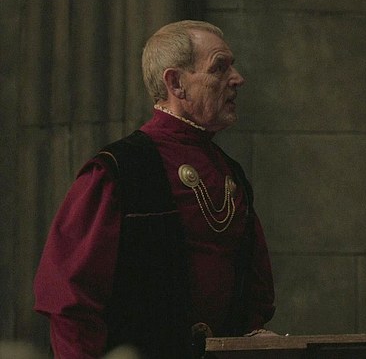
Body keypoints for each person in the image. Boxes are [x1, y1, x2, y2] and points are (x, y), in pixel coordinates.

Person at [33, 20, 276, 358]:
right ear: (176, 83)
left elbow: (254, 297)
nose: (237, 78)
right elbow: (70, 300)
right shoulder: (119, 170)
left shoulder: (229, 172)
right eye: (220, 68)